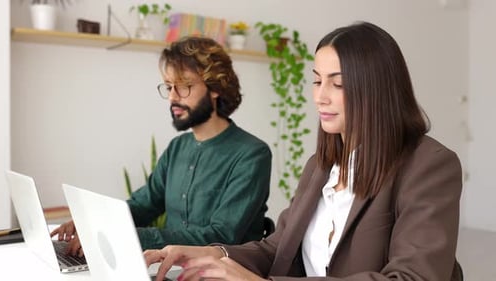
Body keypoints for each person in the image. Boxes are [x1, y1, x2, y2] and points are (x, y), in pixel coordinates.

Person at [144, 21, 464, 281]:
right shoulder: (320, 166)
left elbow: (412, 277)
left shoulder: (429, 165)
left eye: (337, 84)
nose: (320, 97)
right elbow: (278, 248)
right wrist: (214, 254)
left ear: (377, 90)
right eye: (316, 81)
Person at [51, 36, 272, 252]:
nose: (173, 98)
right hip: (171, 268)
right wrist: (93, 221)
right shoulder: (178, 147)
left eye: (184, 86)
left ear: (215, 88)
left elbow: (221, 236)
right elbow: (143, 205)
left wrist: (123, 235)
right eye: (168, 87)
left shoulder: (252, 155)